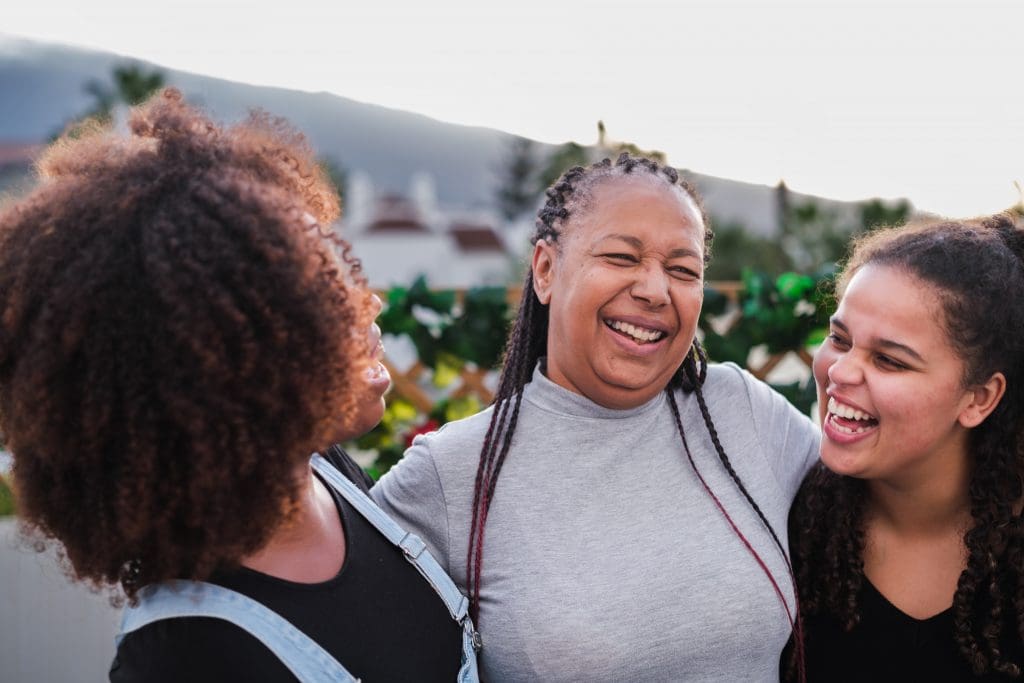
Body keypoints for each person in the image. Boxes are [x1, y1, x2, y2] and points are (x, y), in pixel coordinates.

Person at [0, 89, 476, 682]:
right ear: (212, 373)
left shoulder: (325, 474)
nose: (368, 304)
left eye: (339, 276)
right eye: (320, 301)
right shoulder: (182, 660)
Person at [372, 152, 821, 681]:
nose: (655, 290)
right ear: (545, 270)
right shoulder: (453, 474)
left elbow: (887, 512)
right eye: (621, 258)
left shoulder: (742, 411)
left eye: (683, 269)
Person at [788, 213, 1024, 681]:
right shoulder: (788, 522)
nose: (839, 372)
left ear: (978, 398)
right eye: (839, 339)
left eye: (889, 361)